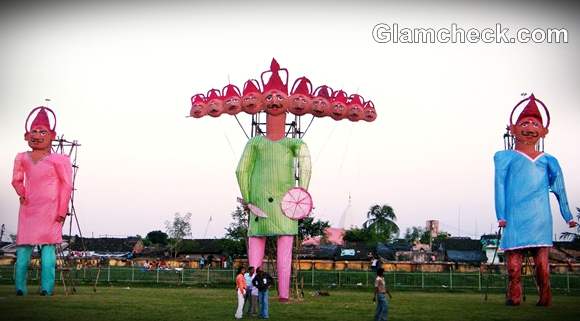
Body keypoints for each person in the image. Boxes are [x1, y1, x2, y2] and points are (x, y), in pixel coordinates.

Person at [237, 59, 312, 302]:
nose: (274, 103)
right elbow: (307, 165)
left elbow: (240, 171)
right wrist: (301, 195)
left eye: (278, 97)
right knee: (284, 250)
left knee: (259, 249)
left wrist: (248, 198)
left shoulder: (257, 143)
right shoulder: (294, 143)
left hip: (265, 202)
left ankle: (256, 291)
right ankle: (282, 294)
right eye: (270, 97)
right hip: (285, 204)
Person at [494, 94, 576, 306]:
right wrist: (501, 215)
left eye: (535, 123)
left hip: (540, 218)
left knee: (542, 264)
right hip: (514, 217)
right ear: (513, 128)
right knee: (513, 265)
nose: (530, 127)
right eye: (525, 122)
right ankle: (514, 295)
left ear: (543, 131)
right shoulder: (504, 157)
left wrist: (567, 215)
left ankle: (545, 295)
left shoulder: (549, 160)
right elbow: (499, 186)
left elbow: (559, 188)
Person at [12, 107, 73, 296]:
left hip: (51, 210)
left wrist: (62, 210)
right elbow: (16, 180)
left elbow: (66, 185)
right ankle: (20, 288)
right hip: (29, 209)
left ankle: (46, 288)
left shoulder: (60, 160)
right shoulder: (21, 157)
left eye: (42, 131)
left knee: (47, 253)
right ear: (26, 135)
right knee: (23, 252)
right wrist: (22, 192)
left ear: (52, 135)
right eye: (34, 131)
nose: (37, 135)